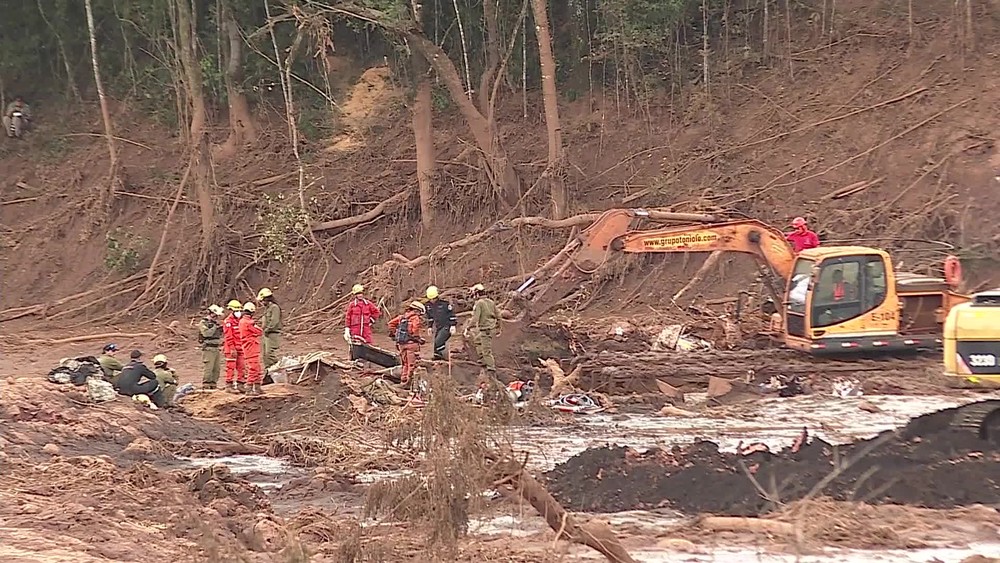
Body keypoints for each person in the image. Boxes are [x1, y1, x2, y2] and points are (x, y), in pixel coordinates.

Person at [387, 301, 426, 385]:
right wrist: (419, 339)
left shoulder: (402, 317)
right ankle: (409, 382)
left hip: (401, 344)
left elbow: (390, 324)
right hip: (411, 344)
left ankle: (403, 380)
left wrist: (394, 335)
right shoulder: (415, 318)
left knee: (405, 364)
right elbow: (414, 331)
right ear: (417, 310)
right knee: (412, 364)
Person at [469, 283, 499, 375]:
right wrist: (499, 327)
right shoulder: (491, 302)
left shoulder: (479, 303)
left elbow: (475, 318)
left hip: (486, 329)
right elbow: (498, 315)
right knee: (477, 340)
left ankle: (491, 368)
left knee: (487, 350)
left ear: (477, 294)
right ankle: (483, 360)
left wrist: (468, 327)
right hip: (491, 328)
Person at [424, 285, 457, 361]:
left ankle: (443, 356)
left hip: (447, 325)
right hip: (438, 326)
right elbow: (430, 317)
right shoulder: (428, 305)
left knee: (439, 341)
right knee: (435, 344)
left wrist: (453, 325)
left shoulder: (444, 304)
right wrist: (430, 327)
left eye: (434, 298)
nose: (432, 300)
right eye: (431, 299)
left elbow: (451, 314)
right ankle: (437, 358)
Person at [239, 301, 264, 396]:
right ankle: (249, 388)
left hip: (250, 347)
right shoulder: (248, 322)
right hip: (251, 347)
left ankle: (257, 387)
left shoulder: (243, 321)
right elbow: (259, 331)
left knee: (257, 367)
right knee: (253, 367)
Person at [222, 299, 247, 394]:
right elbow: (228, 336)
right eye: (236, 311)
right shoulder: (228, 322)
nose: (238, 312)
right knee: (230, 367)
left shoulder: (240, 321)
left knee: (242, 367)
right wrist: (232, 348)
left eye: (239, 310)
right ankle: (229, 385)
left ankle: (240, 384)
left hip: (241, 347)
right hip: (231, 348)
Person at [257, 288, 282, 375]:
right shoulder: (267, 309)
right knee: (265, 356)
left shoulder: (274, 308)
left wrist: (267, 329)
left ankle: (278, 369)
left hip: (272, 334)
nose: (262, 303)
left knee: (269, 354)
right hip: (266, 334)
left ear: (266, 299)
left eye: (262, 301)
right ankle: (269, 372)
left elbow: (274, 321)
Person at [199, 305, 224, 389]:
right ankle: (206, 385)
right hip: (208, 348)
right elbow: (206, 334)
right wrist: (214, 327)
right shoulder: (203, 322)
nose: (216, 317)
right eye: (215, 315)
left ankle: (213, 384)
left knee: (216, 369)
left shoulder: (215, 323)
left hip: (216, 348)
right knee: (209, 368)